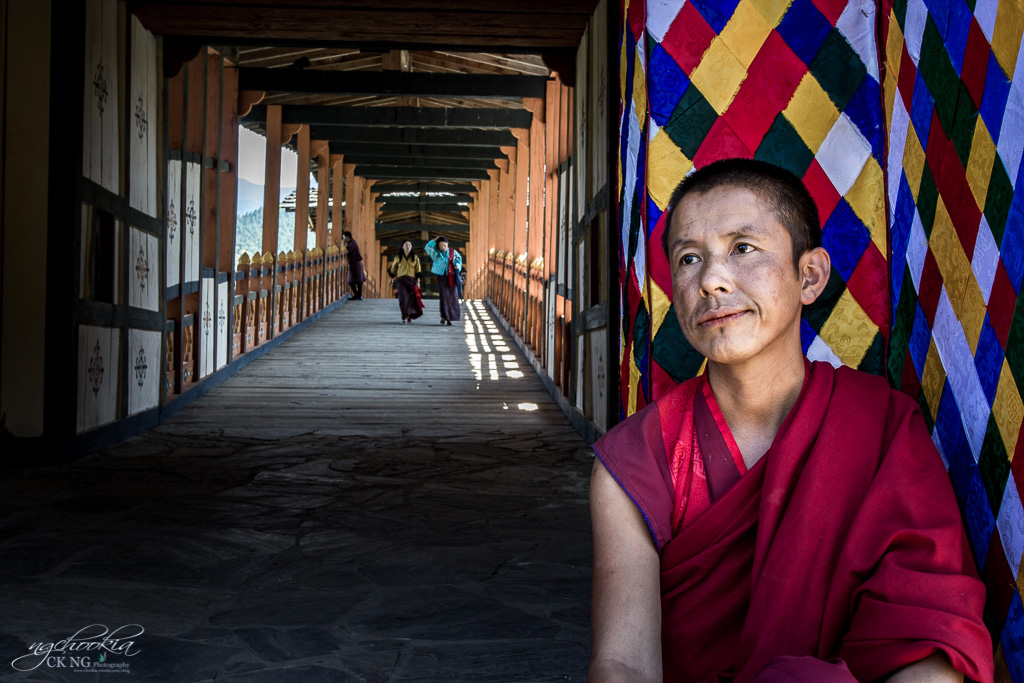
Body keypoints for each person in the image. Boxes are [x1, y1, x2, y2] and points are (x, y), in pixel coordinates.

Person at [588, 159, 992, 683]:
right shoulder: (637, 458)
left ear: (809, 276)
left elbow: (929, 642)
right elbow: (622, 663)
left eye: (743, 248)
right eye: (689, 259)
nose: (711, 280)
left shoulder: (880, 426)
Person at [424, 235, 462, 326]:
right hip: (442, 277)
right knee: (444, 297)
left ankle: (450, 318)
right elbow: (427, 247)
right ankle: (444, 316)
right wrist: (434, 240)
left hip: (452, 276)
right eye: (440, 246)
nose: (443, 248)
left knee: (452, 297)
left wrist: (457, 265)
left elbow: (459, 260)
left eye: (444, 245)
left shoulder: (453, 252)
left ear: (447, 244)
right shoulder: (436, 253)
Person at [388, 240, 423, 324]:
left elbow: (418, 270)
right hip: (401, 281)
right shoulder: (398, 257)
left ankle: (409, 315)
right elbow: (393, 269)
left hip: (412, 281)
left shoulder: (415, 258)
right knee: (403, 298)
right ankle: (404, 316)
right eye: (406, 245)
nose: (408, 247)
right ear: (402, 247)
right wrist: (391, 278)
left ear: (411, 247)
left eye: (409, 245)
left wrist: (418, 282)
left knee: (411, 300)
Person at [342, 230, 365, 300]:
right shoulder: (352, 242)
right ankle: (358, 295)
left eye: (344, 237)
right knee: (358, 281)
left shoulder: (351, 244)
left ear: (348, 237)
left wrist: (343, 244)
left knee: (351, 281)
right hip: (356, 264)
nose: (343, 239)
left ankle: (358, 295)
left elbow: (346, 251)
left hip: (355, 264)